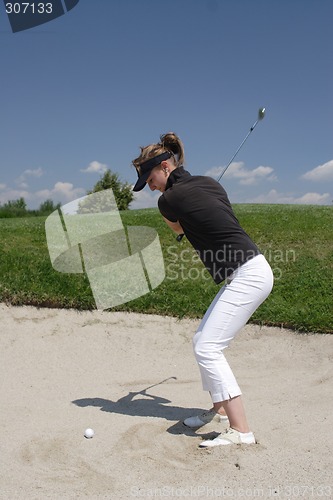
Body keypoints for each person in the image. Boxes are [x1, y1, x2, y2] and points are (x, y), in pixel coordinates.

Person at [132, 132, 274, 447]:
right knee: (202, 340)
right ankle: (219, 409)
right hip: (252, 270)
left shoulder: (167, 200)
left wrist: (180, 221)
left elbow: (179, 228)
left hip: (248, 274)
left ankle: (240, 431)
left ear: (165, 166)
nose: (150, 186)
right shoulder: (211, 183)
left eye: (150, 178)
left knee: (207, 347)